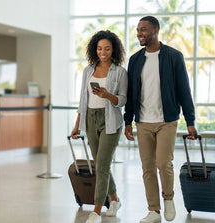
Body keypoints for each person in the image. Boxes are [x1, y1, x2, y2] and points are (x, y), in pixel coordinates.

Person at [124, 16, 198, 223]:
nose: (139, 33)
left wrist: (190, 121)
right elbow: (131, 94)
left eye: (144, 29)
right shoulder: (135, 59)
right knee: (147, 167)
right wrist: (127, 121)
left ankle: (168, 199)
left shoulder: (174, 56)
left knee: (163, 163)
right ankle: (154, 211)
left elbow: (184, 90)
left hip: (167, 120)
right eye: (138, 29)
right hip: (143, 121)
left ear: (156, 30)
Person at [71, 30, 128, 223]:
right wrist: (77, 124)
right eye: (99, 48)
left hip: (110, 120)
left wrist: (107, 95)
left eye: (107, 48)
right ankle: (115, 200)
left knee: (102, 166)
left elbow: (122, 100)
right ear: (94, 49)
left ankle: (96, 210)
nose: (103, 52)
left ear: (114, 50)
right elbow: (82, 99)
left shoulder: (120, 72)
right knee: (100, 164)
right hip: (90, 119)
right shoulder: (88, 70)